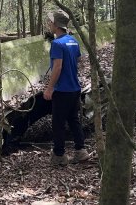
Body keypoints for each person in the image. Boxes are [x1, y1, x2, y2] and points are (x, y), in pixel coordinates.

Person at [43, 9, 89, 165]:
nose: (49, 24)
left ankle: (59, 155)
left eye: (51, 22)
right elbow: (80, 61)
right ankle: (80, 151)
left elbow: (57, 67)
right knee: (74, 120)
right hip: (75, 88)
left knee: (58, 123)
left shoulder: (56, 43)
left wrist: (49, 88)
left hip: (62, 90)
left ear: (56, 25)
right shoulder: (73, 41)